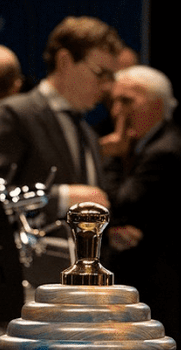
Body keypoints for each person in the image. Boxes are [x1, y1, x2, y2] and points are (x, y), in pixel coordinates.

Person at [0, 17, 123, 324]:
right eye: (101, 73)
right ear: (65, 61)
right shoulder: (15, 114)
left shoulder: (87, 132)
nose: (108, 86)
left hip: (82, 300)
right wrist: (60, 197)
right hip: (29, 295)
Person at [100, 65, 181, 350]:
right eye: (114, 101)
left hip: (166, 298)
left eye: (127, 101)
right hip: (167, 294)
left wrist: (112, 158)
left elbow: (117, 204)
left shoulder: (165, 151)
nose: (116, 111)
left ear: (157, 104)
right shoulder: (160, 143)